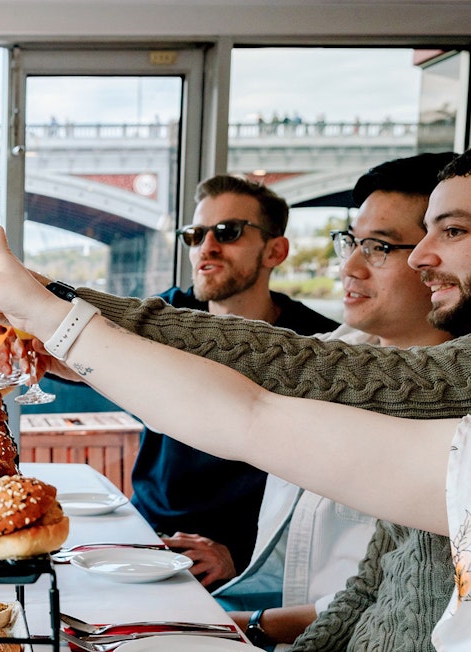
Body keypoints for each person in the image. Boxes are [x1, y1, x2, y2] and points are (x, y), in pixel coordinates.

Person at [0, 225, 465, 649]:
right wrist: (58, 311)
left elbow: (254, 410)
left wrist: (58, 312)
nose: (422, 255)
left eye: (455, 230)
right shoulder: (359, 350)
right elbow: (367, 592)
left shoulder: (426, 384)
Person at [212, 153, 456, 651]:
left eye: (379, 247)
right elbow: (222, 373)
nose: (349, 267)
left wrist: (247, 625)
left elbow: (381, 595)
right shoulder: (331, 352)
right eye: (351, 242)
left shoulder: (450, 415)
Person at [133, 175, 337, 588]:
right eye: (195, 235)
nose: (206, 247)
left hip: (237, 568)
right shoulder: (168, 314)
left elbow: (325, 484)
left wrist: (241, 556)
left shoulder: (317, 345)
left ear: (275, 251)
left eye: (227, 232)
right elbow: (91, 341)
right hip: (142, 535)